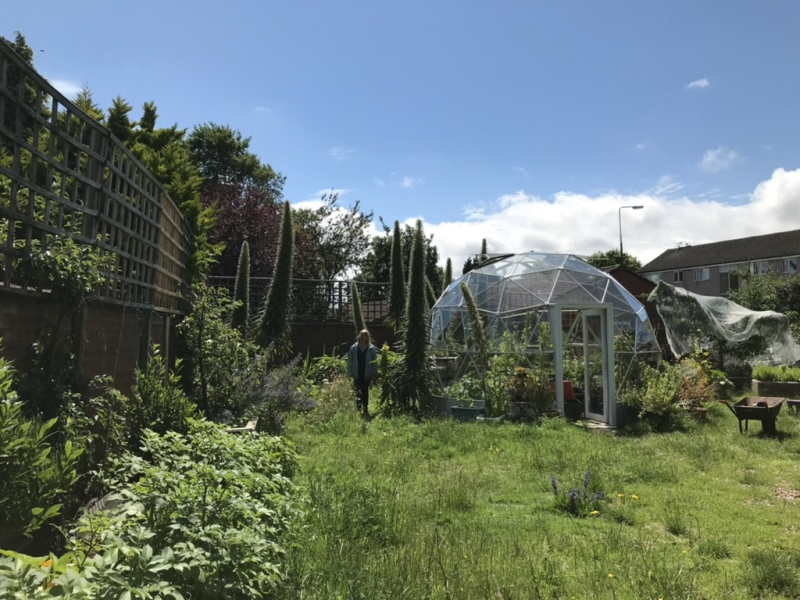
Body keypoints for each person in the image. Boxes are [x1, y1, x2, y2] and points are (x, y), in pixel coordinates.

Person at [347, 329, 378, 417]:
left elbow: (375, 361)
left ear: (367, 337)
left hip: (366, 374)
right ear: (359, 336)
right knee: (357, 391)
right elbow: (350, 361)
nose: (363, 337)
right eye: (362, 335)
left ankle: (365, 409)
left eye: (365, 335)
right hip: (356, 373)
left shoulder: (371, 349)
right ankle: (358, 408)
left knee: (365, 391)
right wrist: (350, 372)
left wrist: (373, 373)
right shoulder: (353, 348)